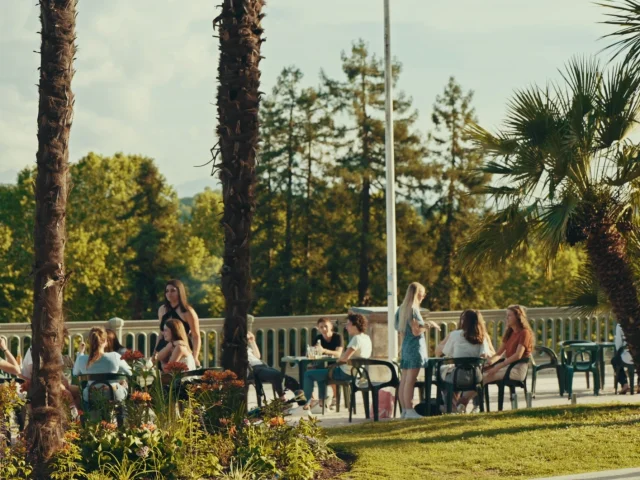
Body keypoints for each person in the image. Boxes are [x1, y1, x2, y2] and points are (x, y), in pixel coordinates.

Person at [458, 305, 533, 412]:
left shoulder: (524, 333)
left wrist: (497, 367)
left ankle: (463, 401)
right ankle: (464, 402)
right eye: (506, 315)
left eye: (509, 315)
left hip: (518, 369)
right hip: (507, 366)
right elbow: (498, 354)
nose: (506, 318)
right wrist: (489, 362)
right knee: (481, 374)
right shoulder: (509, 333)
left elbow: (518, 355)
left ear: (518, 317)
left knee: (488, 375)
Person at [301, 313, 372, 414]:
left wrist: (336, 362)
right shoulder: (366, 338)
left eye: (348, 324)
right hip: (358, 373)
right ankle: (322, 403)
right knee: (320, 372)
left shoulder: (356, 339)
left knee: (308, 375)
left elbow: (343, 359)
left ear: (355, 325)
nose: (346, 327)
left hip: (345, 373)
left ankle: (305, 406)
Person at [396, 282, 440, 419]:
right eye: (423, 293)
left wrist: (401, 349)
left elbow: (401, 332)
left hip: (406, 347)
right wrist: (428, 325)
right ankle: (409, 410)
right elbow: (416, 331)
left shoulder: (401, 309)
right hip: (415, 348)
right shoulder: (413, 309)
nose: (424, 296)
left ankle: (404, 410)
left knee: (404, 381)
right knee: (410, 381)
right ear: (417, 294)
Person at [437, 310, 491, 412]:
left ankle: (451, 408)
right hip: (476, 377)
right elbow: (485, 356)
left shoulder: (455, 335)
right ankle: (460, 407)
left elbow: (445, 353)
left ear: (463, 321)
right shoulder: (482, 337)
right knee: (449, 374)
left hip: (458, 376)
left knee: (442, 374)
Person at [74, 327, 132, 404]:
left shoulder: (82, 359)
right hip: (113, 395)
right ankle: (121, 414)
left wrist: (80, 353)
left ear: (90, 342)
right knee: (123, 383)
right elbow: (130, 372)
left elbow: (75, 373)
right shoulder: (115, 356)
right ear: (105, 341)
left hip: (91, 396)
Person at [155, 279, 201, 367]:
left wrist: (195, 356)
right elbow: (161, 333)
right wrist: (155, 352)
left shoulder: (188, 312)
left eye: (173, 290)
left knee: (173, 374)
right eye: (167, 291)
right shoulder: (162, 309)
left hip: (179, 348)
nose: (169, 293)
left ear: (180, 292)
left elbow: (196, 335)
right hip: (164, 349)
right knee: (162, 377)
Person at [313, 318, 344, 408]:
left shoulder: (338, 337)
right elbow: (315, 352)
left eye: (326, 326)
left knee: (329, 372)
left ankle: (335, 397)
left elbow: (338, 354)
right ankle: (317, 399)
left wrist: (324, 350)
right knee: (311, 372)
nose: (324, 329)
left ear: (331, 326)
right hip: (322, 363)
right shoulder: (318, 338)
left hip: (337, 363)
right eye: (321, 327)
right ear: (318, 328)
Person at [247, 332, 285, 399]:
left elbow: (258, 356)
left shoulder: (247, 347)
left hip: (262, 366)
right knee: (276, 375)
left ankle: (299, 394)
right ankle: (282, 399)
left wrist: (253, 342)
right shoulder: (237, 348)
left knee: (283, 376)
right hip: (253, 369)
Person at [612, 323, 639, 394]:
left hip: (626, 355)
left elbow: (618, 343)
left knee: (614, 361)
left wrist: (619, 352)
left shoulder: (620, 324)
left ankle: (624, 384)